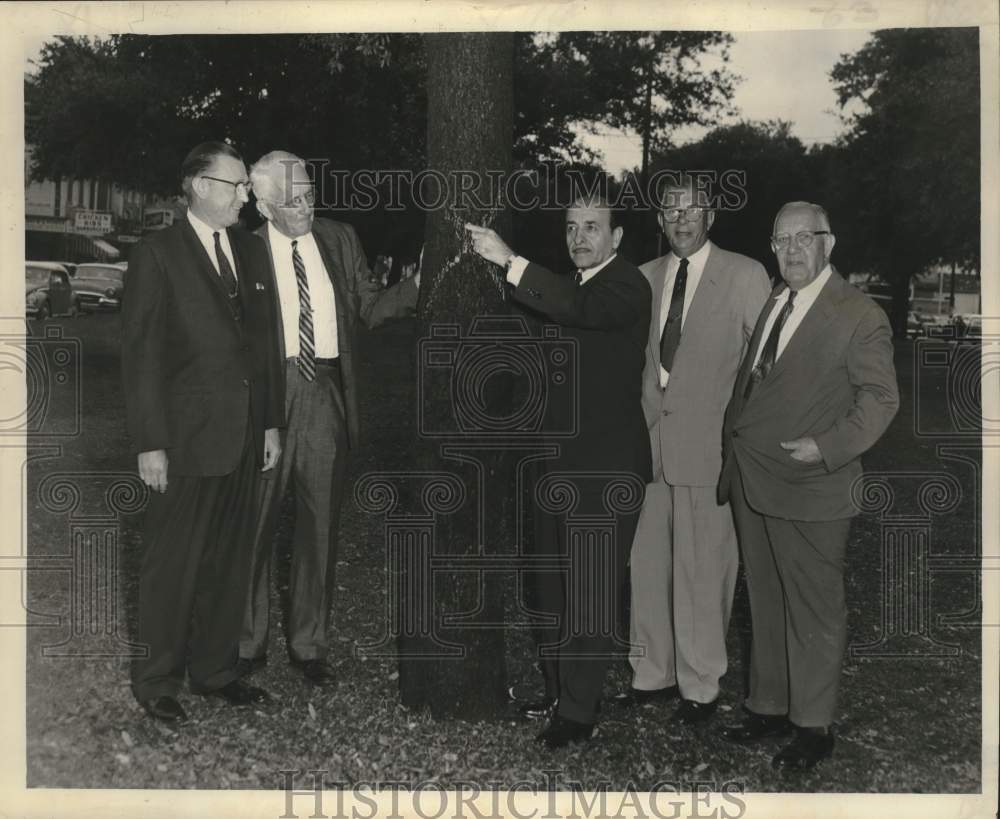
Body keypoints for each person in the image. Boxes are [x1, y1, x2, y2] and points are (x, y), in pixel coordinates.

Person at [718, 201, 899, 770]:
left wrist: (827, 447)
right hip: (754, 477)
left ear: (829, 242)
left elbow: (881, 400)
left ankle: (813, 726)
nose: (792, 249)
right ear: (771, 246)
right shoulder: (776, 297)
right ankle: (769, 705)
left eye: (805, 238)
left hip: (812, 486)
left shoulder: (858, 313)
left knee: (814, 610)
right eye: (782, 240)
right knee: (766, 600)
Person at [466, 197, 652, 749]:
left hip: (604, 470)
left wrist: (510, 260)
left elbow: (579, 309)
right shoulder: (567, 287)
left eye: (592, 228)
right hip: (552, 468)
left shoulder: (626, 287)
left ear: (616, 238)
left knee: (589, 595)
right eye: (571, 228)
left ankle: (578, 711)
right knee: (549, 588)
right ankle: (557, 692)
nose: (579, 237)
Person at [238, 151, 419, 685]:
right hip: (268, 394)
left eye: (310, 192)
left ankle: (309, 645)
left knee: (320, 524)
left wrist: (416, 284)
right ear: (266, 205)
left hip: (324, 394)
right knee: (255, 522)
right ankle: (246, 643)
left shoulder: (339, 238)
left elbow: (368, 307)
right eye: (292, 199)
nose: (306, 205)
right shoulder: (244, 251)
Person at [122, 141, 284, 723]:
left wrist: (269, 423)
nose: (247, 195)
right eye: (237, 184)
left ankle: (215, 670)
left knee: (229, 561)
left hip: (244, 437)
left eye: (247, 186)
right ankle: (158, 681)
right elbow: (141, 357)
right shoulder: (157, 254)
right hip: (184, 442)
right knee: (174, 565)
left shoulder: (252, 251)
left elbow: (264, 347)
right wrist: (149, 442)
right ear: (199, 185)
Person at [615, 178, 771, 724]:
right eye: (670, 210)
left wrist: (744, 437)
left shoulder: (746, 275)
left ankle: (700, 684)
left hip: (708, 450)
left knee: (705, 569)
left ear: (712, 217)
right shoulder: (641, 279)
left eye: (693, 210)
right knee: (648, 564)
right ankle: (650, 674)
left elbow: (765, 365)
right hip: (648, 446)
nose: (681, 220)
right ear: (659, 220)